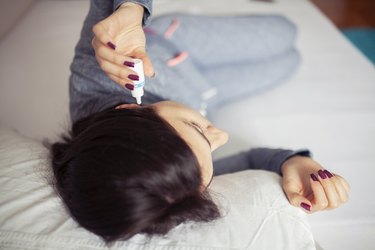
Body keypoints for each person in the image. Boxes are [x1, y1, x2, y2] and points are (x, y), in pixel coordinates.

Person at [50, 0, 350, 244]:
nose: (221, 135)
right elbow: (251, 160)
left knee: (286, 31)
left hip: (172, 46)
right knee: (291, 61)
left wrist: (130, 11)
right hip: (206, 92)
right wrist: (292, 162)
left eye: (198, 130)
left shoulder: (97, 73)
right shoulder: (178, 187)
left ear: (132, 108)